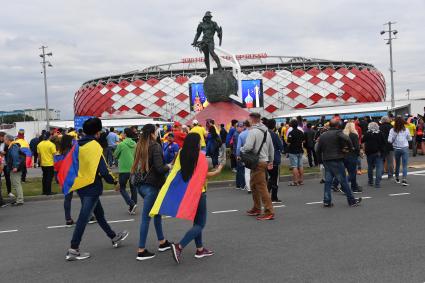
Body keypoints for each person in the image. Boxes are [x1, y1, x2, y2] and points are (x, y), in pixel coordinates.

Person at [65, 118, 129, 261]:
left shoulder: (77, 144)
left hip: (80, 185)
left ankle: (113, 237)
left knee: (99, 214)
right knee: (84, 217)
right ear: (97, 132)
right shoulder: (94, 146)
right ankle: (74, 249)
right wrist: (114, 181)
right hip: (92, 187)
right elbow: (104, 169)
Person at [167, 133, 223, 264]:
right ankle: (179, 246)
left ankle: (200, 249)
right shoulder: (200, 156)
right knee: (201, 224)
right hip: (199, 192)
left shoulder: (181, 153)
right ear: (196, 143)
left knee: (196, 223)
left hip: (188, 192)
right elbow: (204, 175)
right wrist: (218, 171)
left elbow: (176, 172)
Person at [134, 124, 172, 261]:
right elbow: (160, 168)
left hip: (141, 185)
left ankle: (162, 242)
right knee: (147, 218)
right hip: (152, 185)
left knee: (157, 213)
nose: (157, 134)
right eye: (156, 132)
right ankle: (141, 250)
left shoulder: (140, 145)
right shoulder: (155, 146)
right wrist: (169, 166)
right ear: (151, 133)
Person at [315, 119, 362, 207]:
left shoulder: (323, 135)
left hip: (326, 160)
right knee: (343, 180)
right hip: (336, 159)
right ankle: (351, 200)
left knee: (328, 181)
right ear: (337, 126)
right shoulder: (338, 132)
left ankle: (327, 201)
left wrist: (320, 161)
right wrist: (350, 148)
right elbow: (347, 138)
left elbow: (318, 150)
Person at [241, 112, 275, 220]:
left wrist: (242, 149)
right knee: (254, 184)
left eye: (249, 119)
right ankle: (256, 208)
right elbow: (271, 147)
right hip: (263, 161)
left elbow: (248, 147)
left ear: (252, 119)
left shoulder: (252, 131)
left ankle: (269, 211)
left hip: (257, 162)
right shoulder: (266, 131)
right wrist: (271, 160)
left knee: (261, 187)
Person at [114, 128, 138, 215]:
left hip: (124, 170)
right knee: (133, 188)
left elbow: (115, 155)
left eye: (123, 133)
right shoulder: (134, 144)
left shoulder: (121, 144)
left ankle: (131, 203)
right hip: (133, 169)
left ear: (125, 134)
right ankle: (133, 207)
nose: (122, 134)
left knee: (122, 188)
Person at [55, 134, 75, 226]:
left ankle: (68, 219)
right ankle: (90, 215)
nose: (74, 141)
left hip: (64, 178)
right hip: (73, 176)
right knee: (84, 196)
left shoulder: (59, 152)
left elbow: (56, 167)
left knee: (67, 199)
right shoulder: (71, 151)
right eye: (72, 140)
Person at [388, 116, 412, 186]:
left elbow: (389, 140)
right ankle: (404, 179)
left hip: (396, 148)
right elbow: (410, 138)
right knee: (405, 165)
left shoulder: (392, 130)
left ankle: (397, 178)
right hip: (405, 147)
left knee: (397, 164)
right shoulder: (406, 129)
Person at [362, 122, 385, 188]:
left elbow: (362, 141)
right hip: (378, 152)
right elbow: (384, 142)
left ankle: (370, 181)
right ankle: (377, 183)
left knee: (370, 167)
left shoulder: (367, 133)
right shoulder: (380, 133)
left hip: (369, 153)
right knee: (379, 167)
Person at [4, 135, 24, 206]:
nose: (4, 141)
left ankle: (20, 200)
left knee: (17, 184)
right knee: (16, 184)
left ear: (8, 140)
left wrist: (15, 166)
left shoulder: (13, 146)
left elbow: (15, 157)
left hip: (15, 168)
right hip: (13, 167)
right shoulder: (12, 146)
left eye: (5, 139)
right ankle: (19, 199)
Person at [267, 119, 283, 203]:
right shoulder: (274, 135)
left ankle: (265, 193)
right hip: (274, 159)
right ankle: (274, 197)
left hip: (265, 159)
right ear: (274, 126)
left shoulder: (264, 134)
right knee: (275, 179)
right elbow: (281, 146)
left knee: (270, 177)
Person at [343, 122, 362, 193]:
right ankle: (344, 186)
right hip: (352, 155)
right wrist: (359, 153)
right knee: (352, 173)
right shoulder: (354, 135)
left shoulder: (343, 135)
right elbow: (357, 147)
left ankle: (354, 187)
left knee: (350, 172)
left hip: (344, 156)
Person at [287, 120, 305, 186]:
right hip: (300, 150)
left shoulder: (291, 133)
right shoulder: (301, 132)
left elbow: (288, 142)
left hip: (293, 151)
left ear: (291, 125)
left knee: (294, 166)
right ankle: (301, 180)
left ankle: (295, 181)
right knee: (300, 166)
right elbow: (303, 140)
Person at [236, 120, 251, 193]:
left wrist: (238, 155)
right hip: (255, 154)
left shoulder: (241, 134)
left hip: (245, 154)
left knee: (247, 171)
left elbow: (238, 147)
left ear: (245, 126)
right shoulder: (255, 133)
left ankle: (249, 188)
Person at [233, 122, 245, 190]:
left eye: (242, 127)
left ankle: (238, 185)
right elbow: (238, 147)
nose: (242, 128)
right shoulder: (238, 135)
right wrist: (238, 155)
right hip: (239, 154)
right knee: (241, 169)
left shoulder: (237, 133)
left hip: (237, 153)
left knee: (239, 169)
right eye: (240, 127)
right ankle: (242, 185)